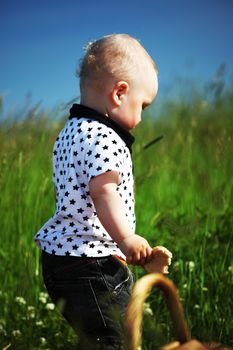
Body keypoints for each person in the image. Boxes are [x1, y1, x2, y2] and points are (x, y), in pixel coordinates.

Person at [34, 33, 172, 350]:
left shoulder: (69, 133)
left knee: (95, 337)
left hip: (59, 262)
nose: (140, 118)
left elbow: (64, 194)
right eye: (143, 106)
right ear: (120, 93)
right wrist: (126, 239)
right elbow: (103, 192)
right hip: (92, 262)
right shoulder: (104, 137)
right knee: (116, 339)